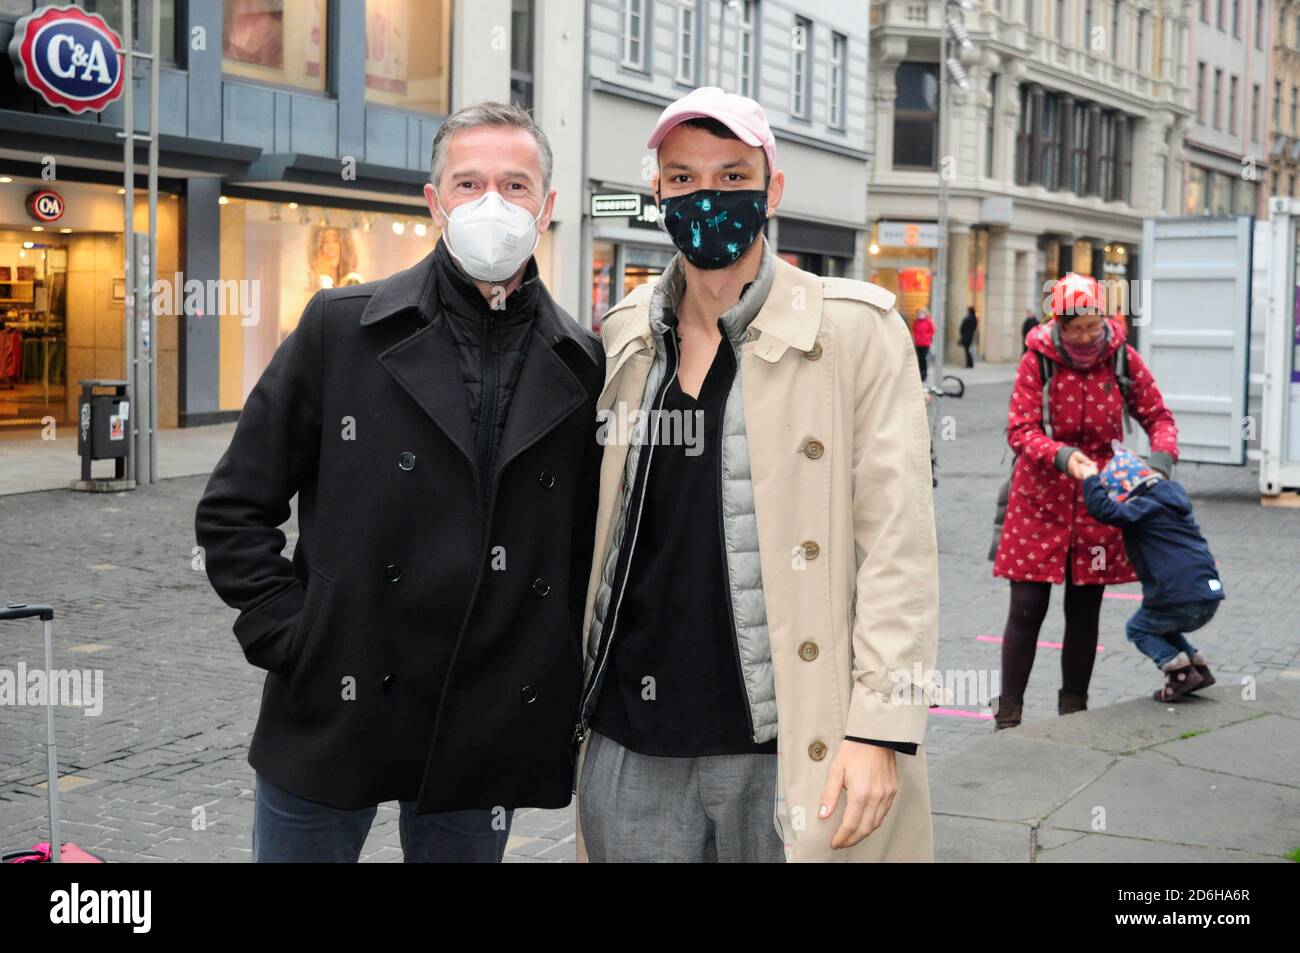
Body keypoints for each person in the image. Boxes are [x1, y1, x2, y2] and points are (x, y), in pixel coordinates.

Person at [194, 101, 605, 862]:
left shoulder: (582, 361)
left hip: (485, 718)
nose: (493, 203)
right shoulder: (341, 328)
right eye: (469, 182)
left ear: (547, 208)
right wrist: (295, 636)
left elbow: (581, 546)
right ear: (434, 200)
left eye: (515, 186)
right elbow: (233, 508)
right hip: (335, 699)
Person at [573, 87, 939, 863]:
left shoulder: (855, 332)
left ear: (772, 189)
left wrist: (880, 727)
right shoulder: (625, 336)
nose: (707, 197)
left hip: (787, 744)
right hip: (630, 744)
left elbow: (899, 550)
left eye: (733, 177)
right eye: (682, 179)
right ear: (658, 193)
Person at [990, 272, 1178, 730]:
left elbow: (1158, 416)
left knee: (1085, 610)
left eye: (1093, 326)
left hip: (1099, 503)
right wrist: (1061, 455)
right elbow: (1020, 430)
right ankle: (1008, 717)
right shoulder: (1038, 360)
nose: (1086, 336)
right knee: (1027, 608)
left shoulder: (1121, 358)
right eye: (1076, 328)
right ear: (1059, 323)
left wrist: (1159, 462)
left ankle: (1073, 713)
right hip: (1039, 500)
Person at [1080, 444, 1222, 701]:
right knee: (1161, 626)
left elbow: (1104, 511)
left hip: (1178, 595)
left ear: (1129, 490)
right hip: (1208, 593)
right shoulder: (1173, 503)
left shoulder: (1145, 507)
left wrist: (1090, 478)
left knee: (1138, 628)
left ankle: (1179, 672)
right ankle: (1196, 664)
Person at [912, 307, 935, 381]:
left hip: (926, 343)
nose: (919, 314)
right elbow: (914, 330)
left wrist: (927, 336)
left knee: (923, 358)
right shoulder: (916, 322)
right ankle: (920, 373)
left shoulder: (928, 321)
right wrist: (916, 337)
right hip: (918, 343)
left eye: (921, 313)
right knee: (919, 358)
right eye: (918, 313)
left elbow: (932, 331)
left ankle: (924, 373)